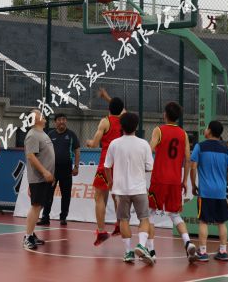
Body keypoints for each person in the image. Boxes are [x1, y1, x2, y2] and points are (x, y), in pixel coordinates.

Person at [147, 102, 197, 263]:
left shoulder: (159, 130)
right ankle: (188, 242)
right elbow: (188, 159)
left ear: (165, 114)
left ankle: (151, 251)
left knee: (150, 214)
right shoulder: (183, 134)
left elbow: (149, 149)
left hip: (159, 179)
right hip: (175, 180)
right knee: (175, 214)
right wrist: (184, 181)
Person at [104, 112, 155, 264]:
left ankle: (128, 253)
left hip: (120, 190)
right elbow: (149, 167)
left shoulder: (114, 144)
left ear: (121, 126)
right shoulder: (144, 144)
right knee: (144, 218)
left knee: (123, 220)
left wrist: (110, 181)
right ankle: (141, 245)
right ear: (137, 126)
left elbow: (107, 166)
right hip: (139, 188)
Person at [190, 120, 228, 262]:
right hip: (220, 192)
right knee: (221, 222)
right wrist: (224, 181)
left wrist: (193, 185)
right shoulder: (225, 149)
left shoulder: (200, 146)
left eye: (206, 128)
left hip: (205, 192)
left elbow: (193, 167)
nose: (205, 130)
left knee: (204, 221)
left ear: (209, 131)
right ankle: (223, 251)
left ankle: (203, 252)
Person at [86, 88, 124, 245]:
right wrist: (107, 97)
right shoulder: (125, 120)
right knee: (116, 196)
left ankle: (101, 231)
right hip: (120, 164)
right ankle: (120, 224)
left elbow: (95, 143)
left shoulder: (105, 121)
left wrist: (89, 142)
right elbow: (121, 109)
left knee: (99, 197)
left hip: (106, 163)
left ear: (109, 108)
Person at [38, 113, 80, 226]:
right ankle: (45, 217)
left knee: (66, 195)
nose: (62, 121)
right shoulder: (50, 134)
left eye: (64, 119)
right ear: (55, 122)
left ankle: (63, 217)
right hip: (52, 169)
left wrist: (76, 166)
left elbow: (77, 150)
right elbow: (45, 150)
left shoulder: (71, 135)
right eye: (59, 119)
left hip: (66, 169)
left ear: (66, 121)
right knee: (48, 194)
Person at [23, 109, 55, 250]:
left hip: (45, 178)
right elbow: (31, 156)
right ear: (34, 119)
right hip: (39, 177)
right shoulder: (32, 135)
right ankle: (27, 237)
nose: (43, 115)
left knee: (39, 206)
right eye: (39, 113)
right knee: (36, 206)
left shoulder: (42, 134)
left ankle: (31, 233)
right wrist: (44, 172)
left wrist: (50, 173)